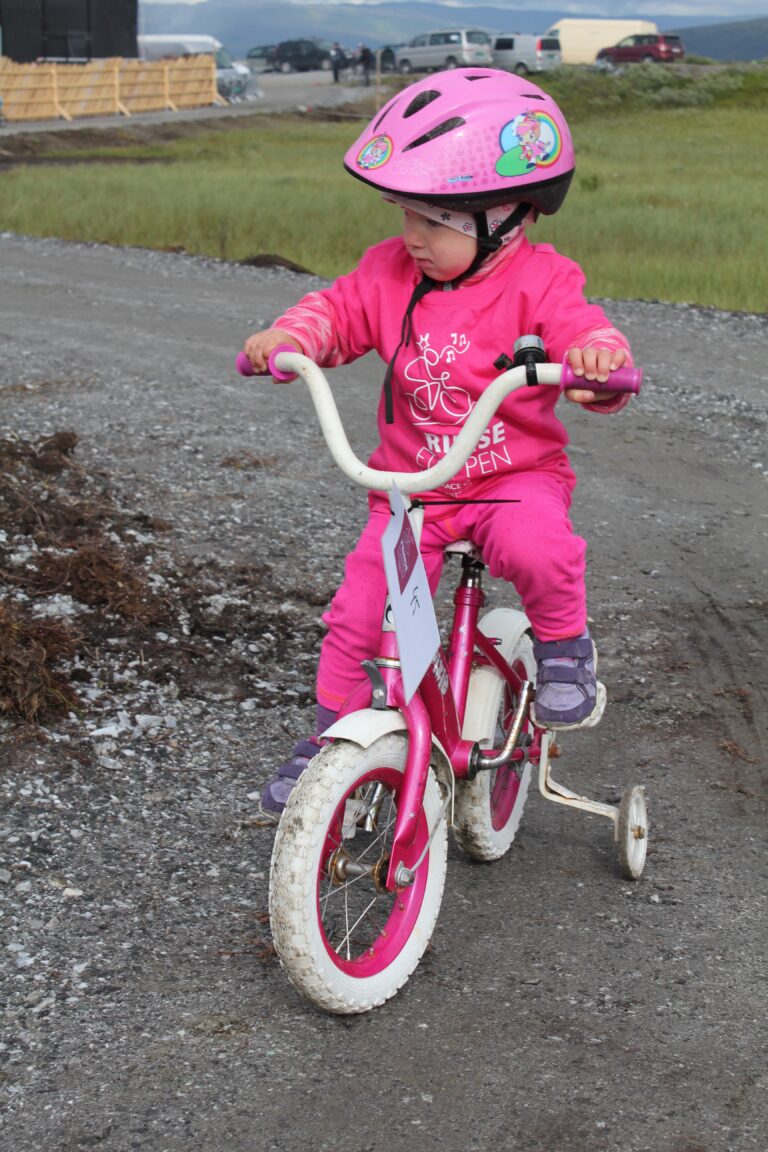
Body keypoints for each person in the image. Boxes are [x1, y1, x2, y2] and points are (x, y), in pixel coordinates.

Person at [242, 69, 633, 821]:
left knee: (537, 546)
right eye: (405, 215)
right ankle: (332, 742)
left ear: (509, 217)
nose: (412, 237)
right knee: (363, 614)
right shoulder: (389, 271)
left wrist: (596, 367)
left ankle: (562, 645)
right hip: (412, 488)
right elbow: (337, 311)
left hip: (512, 477)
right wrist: (292, 337)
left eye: (435, 220)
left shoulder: (542, 282)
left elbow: (588, 336)